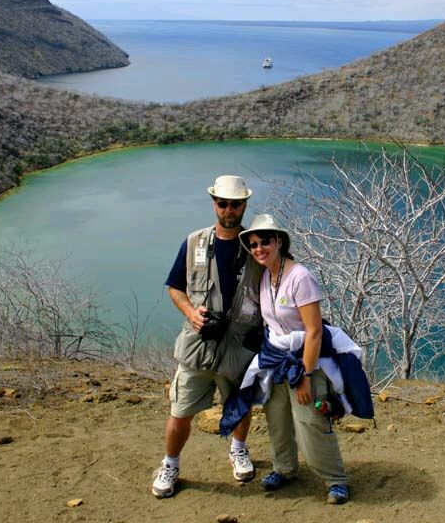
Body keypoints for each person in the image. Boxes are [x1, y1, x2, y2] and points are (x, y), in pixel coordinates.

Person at [151, 175, 264, 499]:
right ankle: (170, 464)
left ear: (244, 205)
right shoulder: (194, 243)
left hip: (239, 346)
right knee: (181, 409)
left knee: (240, 405)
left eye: (236, 203)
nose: (229, 209)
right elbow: (175, 287)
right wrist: (190, 312)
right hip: (198, 346)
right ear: (214, 203)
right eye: (223, 203)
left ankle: (238, 449)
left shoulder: (256, 245)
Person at [237, 213, 352, 505]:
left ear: (279, 241)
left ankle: (335, 478)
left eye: (265, 241)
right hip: (276, 361)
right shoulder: (265, 275)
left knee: (310, 419)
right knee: (277, 418)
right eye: (253, 244)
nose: (259, 248)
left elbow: (313, 331)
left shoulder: (299, 276)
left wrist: (305, 376)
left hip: (305, 362)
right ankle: (284, 469)